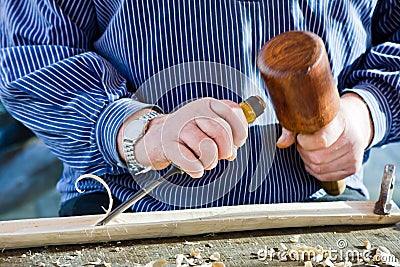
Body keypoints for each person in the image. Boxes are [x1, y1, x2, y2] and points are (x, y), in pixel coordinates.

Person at [0, 0, 399, 216]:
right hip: (127, 208)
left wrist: (365, 112)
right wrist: (141, 132)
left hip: (323, 208)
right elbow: (31, 53)